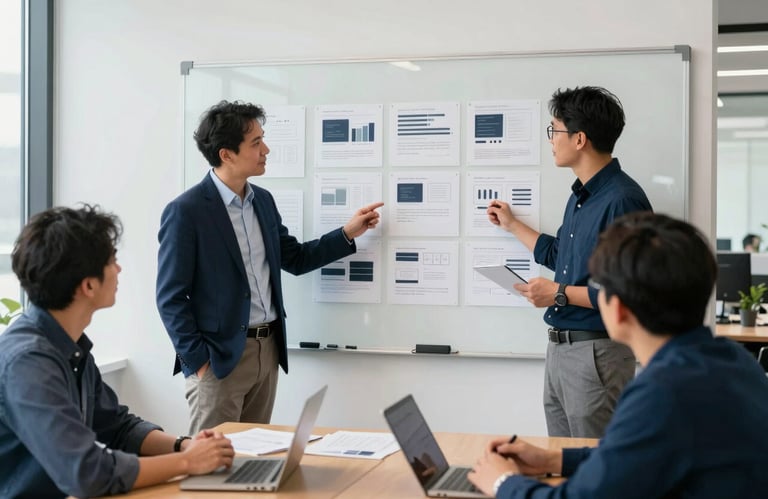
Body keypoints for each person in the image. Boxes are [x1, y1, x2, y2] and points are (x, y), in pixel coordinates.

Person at [469, 212, 768, 498]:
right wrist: (552, 459)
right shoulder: (733, 359)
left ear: (619, 308)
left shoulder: (663, 393)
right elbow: (630, 454)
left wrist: (502, 481)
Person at [157, 100, 383, 434]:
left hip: (268, 350)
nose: (266, 149)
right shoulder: (186, 211)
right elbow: (170, 297)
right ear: (226, 154)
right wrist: (199, 362)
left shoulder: (262, 200)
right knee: (210, 469)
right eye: (255, 143)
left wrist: (347, 233)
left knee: (252, 460)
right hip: (219, 358)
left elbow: (295, 258)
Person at [0, 205, 235, 498]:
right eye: (112, 260)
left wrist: (185, 445)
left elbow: (116, 427)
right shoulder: (28, 362)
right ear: (87, 285)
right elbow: (86, 473)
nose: (119, 268)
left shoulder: (69, 346)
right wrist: (188, 462)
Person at [487, 86, 651, 438]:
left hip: (597, 353)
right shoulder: (580, 197)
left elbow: (628, 293)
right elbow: (561, 255)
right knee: (561, 465)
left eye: (554, 130)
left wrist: (558, 294)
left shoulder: (623, 200)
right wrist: (514, 225)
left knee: (596, 470)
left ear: (579, 139)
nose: (551, 140)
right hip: (561, 350)